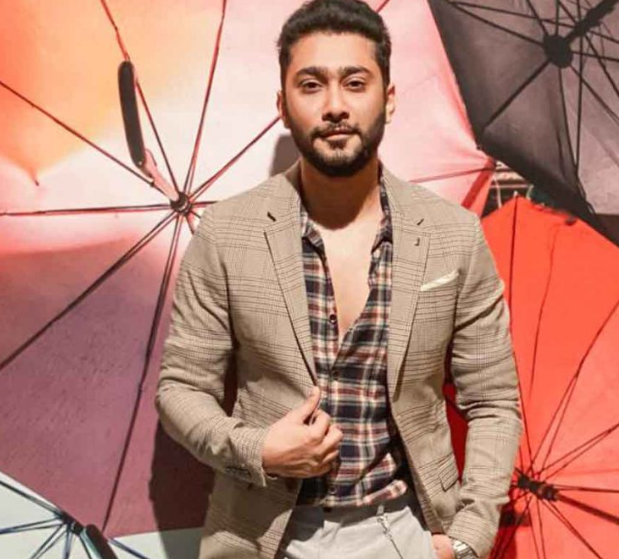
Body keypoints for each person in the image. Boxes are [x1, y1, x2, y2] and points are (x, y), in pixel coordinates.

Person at [156, 1, 522, 558]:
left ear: (388, 98)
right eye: (311, 85)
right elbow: (182, 388)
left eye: (355, 83)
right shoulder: (228, 231)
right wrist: (258, 449)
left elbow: (494, 400)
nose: (334, 106)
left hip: (405, 530)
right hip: (262, 533)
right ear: (283, 106)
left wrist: (468, 539)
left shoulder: (453, 236)